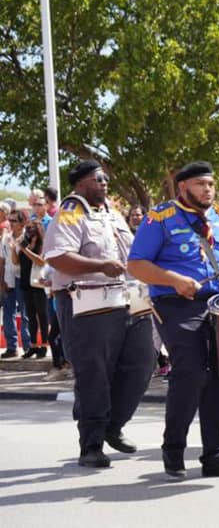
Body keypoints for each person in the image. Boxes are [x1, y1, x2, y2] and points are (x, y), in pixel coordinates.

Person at [128, 161, 219, 479]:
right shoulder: (161, 217)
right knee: (191, 370)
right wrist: (173, 279)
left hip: (216, 304)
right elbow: (136, 264)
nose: (207, 189)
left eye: (210, 184)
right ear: (183, 187)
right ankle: (174, 448)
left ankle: (216, 455)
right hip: (175, 303)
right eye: (200, 184)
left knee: (218, 376)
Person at [41, 160, 156, 468]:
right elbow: (59, 258)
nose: (104, 183)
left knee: (143, 362)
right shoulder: (70, 212)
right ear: (81, 184)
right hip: (88, 302)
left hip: (130, 297)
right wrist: (100, 266)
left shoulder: (111, 212)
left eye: (105, 178)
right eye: (98, 179)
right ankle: (91, 444)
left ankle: (112, 425)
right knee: (95, 375)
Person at [12, 217, 48, 359]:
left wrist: (24, 249)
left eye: (31, 228)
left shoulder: (42, 244)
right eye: (28, 228)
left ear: (38, 230)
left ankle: (44, 345)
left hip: (38, 284)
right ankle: (33, 346)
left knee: (42, 315)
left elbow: (40, 261)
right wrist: (14, 248)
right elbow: (16, 262)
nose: (28, 231)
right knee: (30, 316)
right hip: (26, 283)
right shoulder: (24, 243)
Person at [1, 210, 31, 358]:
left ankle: (27, 346)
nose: (10, 223)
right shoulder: (6, 238)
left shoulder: (27, 237)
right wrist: (1, 281)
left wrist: (14, 247)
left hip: (22, 278)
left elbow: (17, 261)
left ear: (22, 223)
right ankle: (12, 347)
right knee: (8, 313)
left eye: (14, 221)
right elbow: (2, 260)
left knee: (25, 314)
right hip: (8, 278)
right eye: (10, 220)